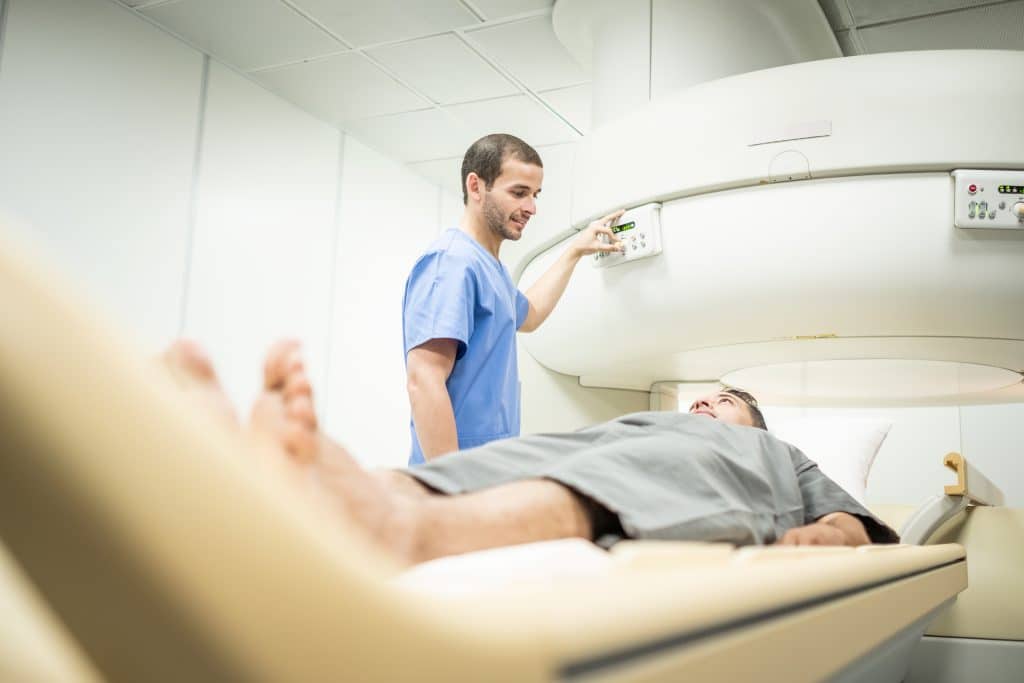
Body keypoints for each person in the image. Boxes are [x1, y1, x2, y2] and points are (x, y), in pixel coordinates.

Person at [162, 340, 899, 568]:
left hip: (706, 469)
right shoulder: (651, 420)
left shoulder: (770, 449)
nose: (707, 402)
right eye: (702, 398)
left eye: (726, 400)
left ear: (755, 420)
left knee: (618, 475)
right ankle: (318, 485)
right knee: (516, 458)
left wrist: (831, 535)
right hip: (618, 440)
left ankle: (402, 532)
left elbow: (850, 519)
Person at [403, 133, 626, 465]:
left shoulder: (490, 268)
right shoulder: (451, 262)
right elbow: (424, 380)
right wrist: (452, 485)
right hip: (455, 478)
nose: (531, 208)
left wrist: (576, 250)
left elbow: (530, 314)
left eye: (535, 195)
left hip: (487, 466)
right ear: (476, 186)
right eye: (519, 193)